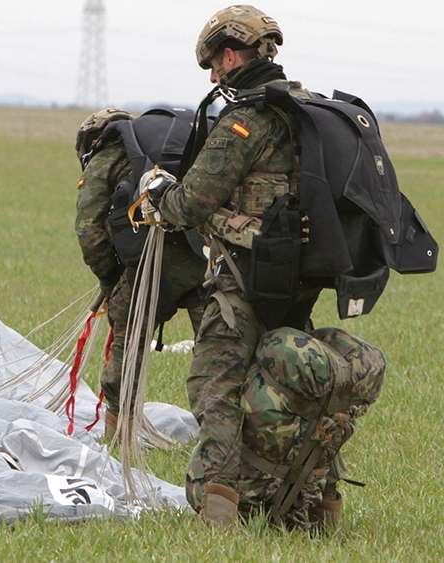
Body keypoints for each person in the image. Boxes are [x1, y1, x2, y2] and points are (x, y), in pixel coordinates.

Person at [142, 5, 323, 524]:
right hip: (296, 281)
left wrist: (159, 194)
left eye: (213, 66)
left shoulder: (246, 120)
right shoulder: (303, 113)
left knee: (216, 386)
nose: (214, 77)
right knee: (291, 387)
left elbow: (190, 203)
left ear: (227, 55)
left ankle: (216, 508)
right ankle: (316, 506)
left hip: (243, 279)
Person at [74, 108, 206, 441]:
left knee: (128, 339)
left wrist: (109, 279)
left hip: (155, 259)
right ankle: (223, 436)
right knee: (217, 349)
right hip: (205, 254)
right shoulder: (169, 144)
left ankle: (119, 430)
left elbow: (89, 229)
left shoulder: (108, 154)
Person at [185, 325, 385, 531]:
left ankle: (219, 519)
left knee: (220, 393)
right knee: (326, 412)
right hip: (292, 306)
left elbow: (219, 408)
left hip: (240, 313)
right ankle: (320, 514)